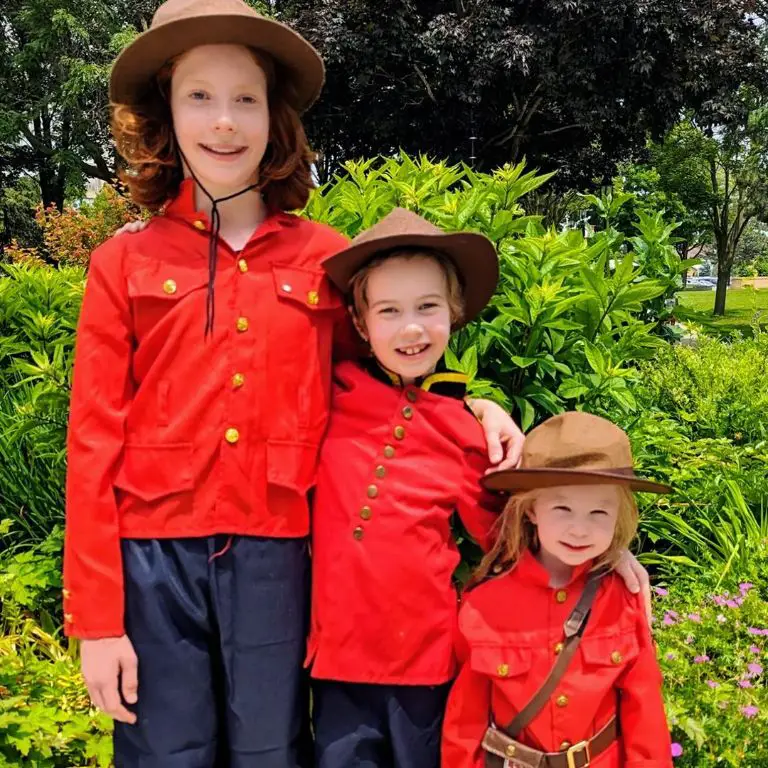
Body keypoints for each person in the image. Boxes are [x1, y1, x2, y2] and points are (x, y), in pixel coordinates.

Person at [62, 1, 526, 765]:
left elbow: (383, 376)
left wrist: (474, 402)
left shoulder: (327, 259)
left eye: (245, 98)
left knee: (270, 750)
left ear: (275, 117)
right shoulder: (126, 262)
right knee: (162, 753)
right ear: (165, 113)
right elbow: (92, 439)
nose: (224, 123)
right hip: (152, 565)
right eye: (199, 97)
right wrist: (97, 621)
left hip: (280, 558)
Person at [307, 208, 505, 768]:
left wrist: (604, 563)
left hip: (428, 661)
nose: (411, 328)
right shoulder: (331, 391)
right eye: (389, 311)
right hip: (337, 661)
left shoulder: (466, 430)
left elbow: (506, 538)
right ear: (361, 323)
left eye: (428, 307)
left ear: (455, 313)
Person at [441, 411, 674, 768]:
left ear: (618, 517)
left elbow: (645, 715)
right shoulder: (483, 605)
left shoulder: (623, 598)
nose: (579, 529)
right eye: (563, 507)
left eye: (599, 512)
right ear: (532, 508)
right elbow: (464, 723)